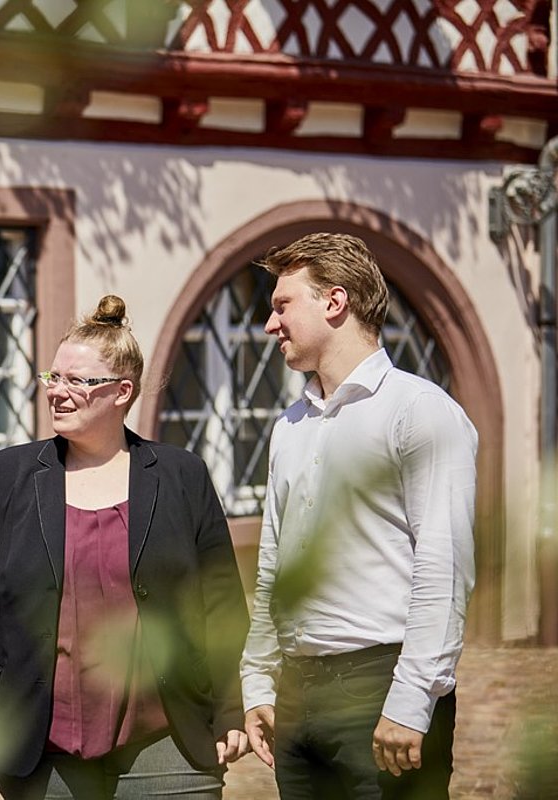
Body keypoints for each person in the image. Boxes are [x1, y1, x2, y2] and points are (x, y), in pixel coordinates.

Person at [0, 295, 251, 799]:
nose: (56, 392)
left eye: (76, 381)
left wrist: (230, 706)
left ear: (122, 392)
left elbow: (221, 602)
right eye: (52, 378)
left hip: (168, 735)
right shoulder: (8, 475)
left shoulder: (181, 475)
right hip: (41, 742)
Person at [239, 233, 478, 799]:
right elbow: (275, 563)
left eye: (281, 306)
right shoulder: (288, 426)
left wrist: (411, 700)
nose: (270, 326)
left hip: (381, 688)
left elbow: (442, 566)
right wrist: (258, 681)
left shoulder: (421, 412)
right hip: (298, 696)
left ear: (335, 302)